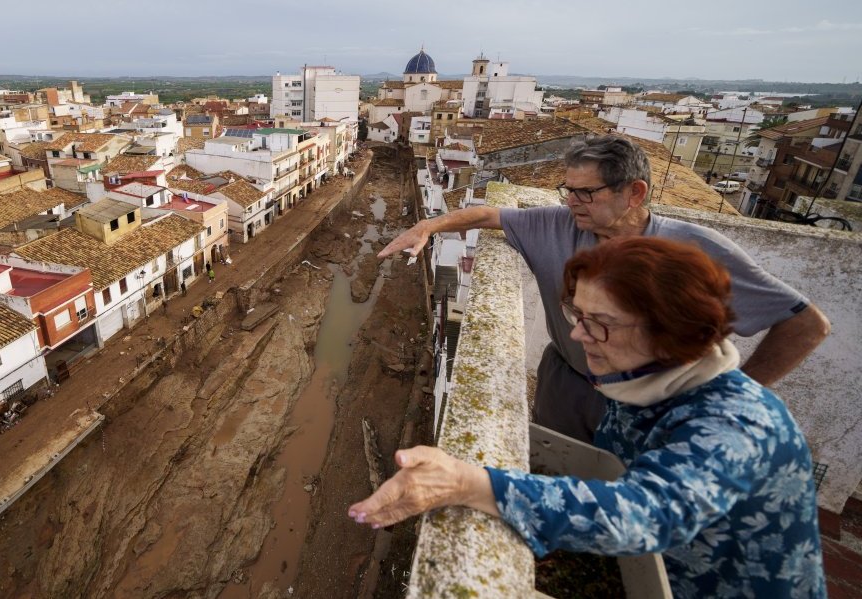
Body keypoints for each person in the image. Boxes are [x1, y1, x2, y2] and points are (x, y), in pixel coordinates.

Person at [350, 237, 826, 598]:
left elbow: (643, 515)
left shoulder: (739, 425)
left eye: (600, 322)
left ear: (671, 331)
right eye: (576, 314)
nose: (578, 335)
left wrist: (468, 484)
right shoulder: (642, 378)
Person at [379, 135, 830, 443]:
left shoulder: (693, 248)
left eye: (586, 193)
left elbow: (806, 324)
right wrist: (428, 226)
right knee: (554, 467)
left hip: (656, 405)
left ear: (634, 193)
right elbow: (487, 215)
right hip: (567, 385)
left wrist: (738, 394)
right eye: (567, 190)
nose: (571, 202)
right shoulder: (557, 224)